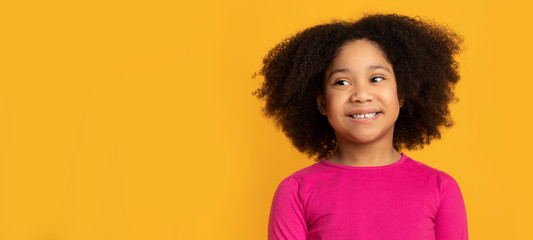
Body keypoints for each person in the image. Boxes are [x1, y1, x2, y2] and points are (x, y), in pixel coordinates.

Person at [253, 13, 468, 239]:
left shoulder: (440, 189)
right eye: (342, 82)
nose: (361, 95)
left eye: (376, 78)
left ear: (402, 94)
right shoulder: (296, 191)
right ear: (322, 102)